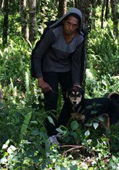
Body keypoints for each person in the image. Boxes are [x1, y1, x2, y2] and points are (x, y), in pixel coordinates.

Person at [32, 7, 84, 145]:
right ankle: (50, 134)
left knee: (71, 98)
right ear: (63, 22)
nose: (70, 28)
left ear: (78, 26)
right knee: (51, 99)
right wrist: (40, 79)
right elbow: (37, 55)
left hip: (66, 68)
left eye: (74, 25)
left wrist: (76, 83)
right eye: (68, 23)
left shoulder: (79, 38)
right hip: (49, 67)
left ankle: (59, 129)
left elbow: (77, 62)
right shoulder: (53, 33)